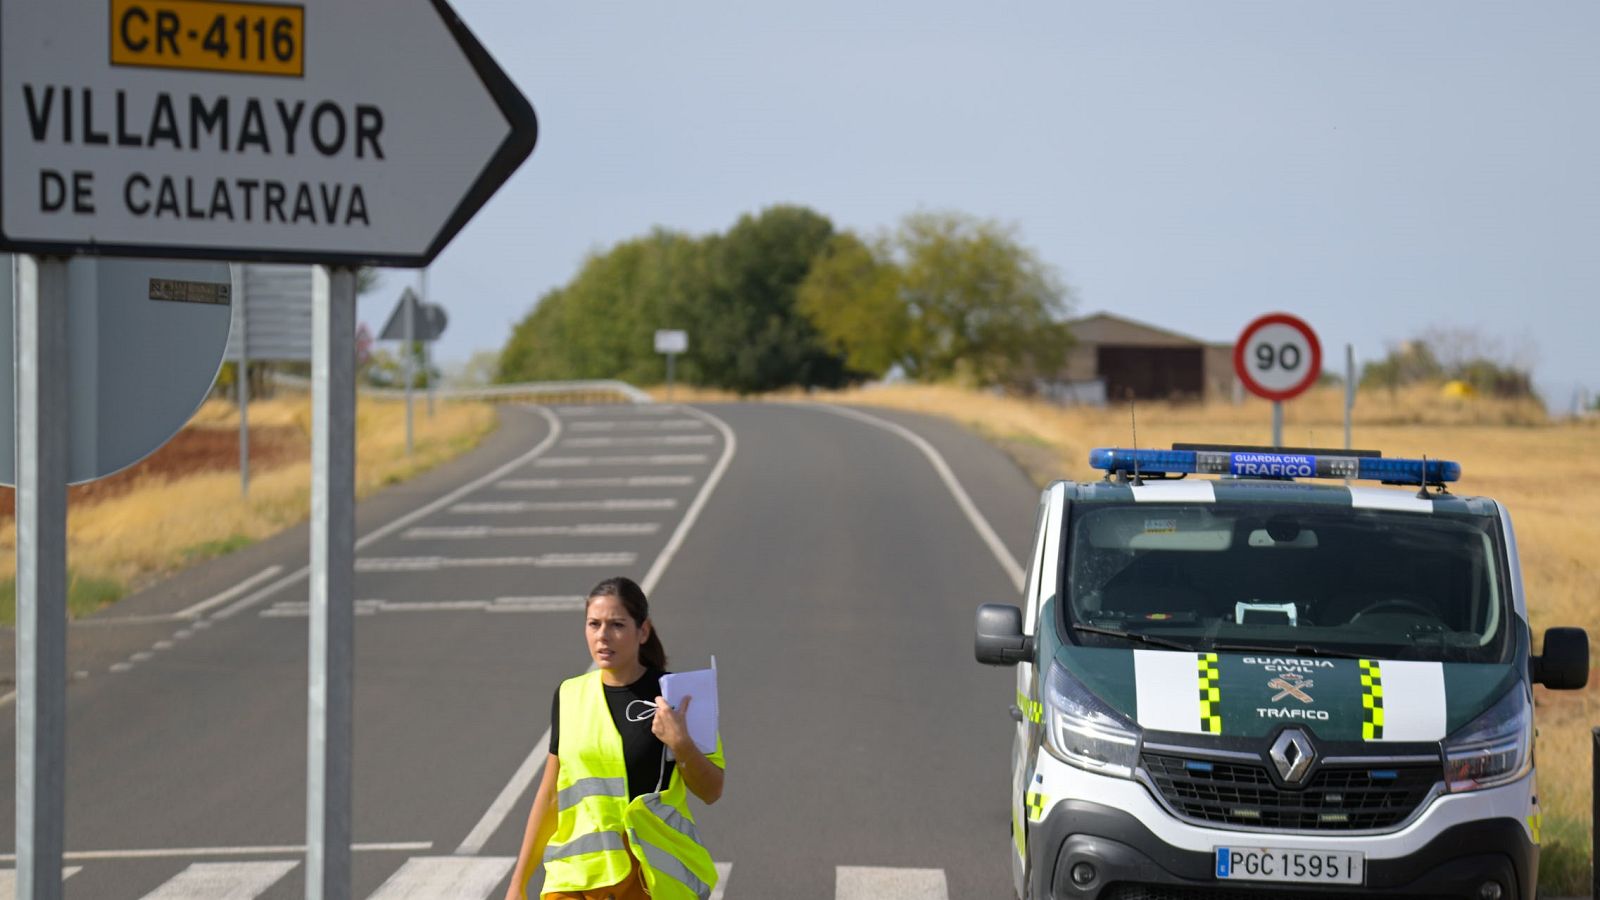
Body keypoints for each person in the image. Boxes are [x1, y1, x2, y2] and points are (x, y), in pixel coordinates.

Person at [506, 576, 724, 900]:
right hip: (577, 880)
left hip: (650, 880)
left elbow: (712, 790)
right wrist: (517, 884)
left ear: (643, 631)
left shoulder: (678, 696)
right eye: (593, 624)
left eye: (617, 625)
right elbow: (550, 795)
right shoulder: (569, 695)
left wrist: (681, 744)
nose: (602, 636)